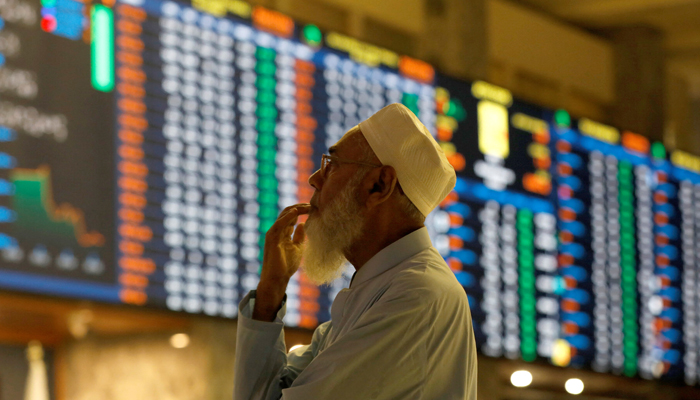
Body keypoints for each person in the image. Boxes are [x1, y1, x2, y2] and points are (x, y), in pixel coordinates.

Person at [234, 104, 477, 399]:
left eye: (332, 165)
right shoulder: (374, 293)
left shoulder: (416, 295)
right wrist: (271, 290)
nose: (315, 179)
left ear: (379, 185)